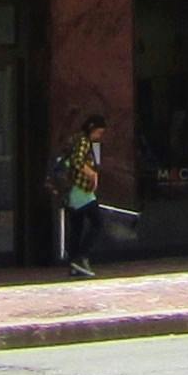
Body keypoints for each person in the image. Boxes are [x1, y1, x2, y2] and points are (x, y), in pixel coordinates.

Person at [53, 113, 108, 277]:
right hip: (81, 190)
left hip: (71, 191)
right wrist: (92, 174)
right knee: (97, 222)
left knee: (76, 227)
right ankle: (81, 257)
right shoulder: (83, 141)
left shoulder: (76, 139)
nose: (99, 136)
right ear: (92, 129)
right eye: (99, 132)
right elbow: (77, 161)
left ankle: (74, 264)